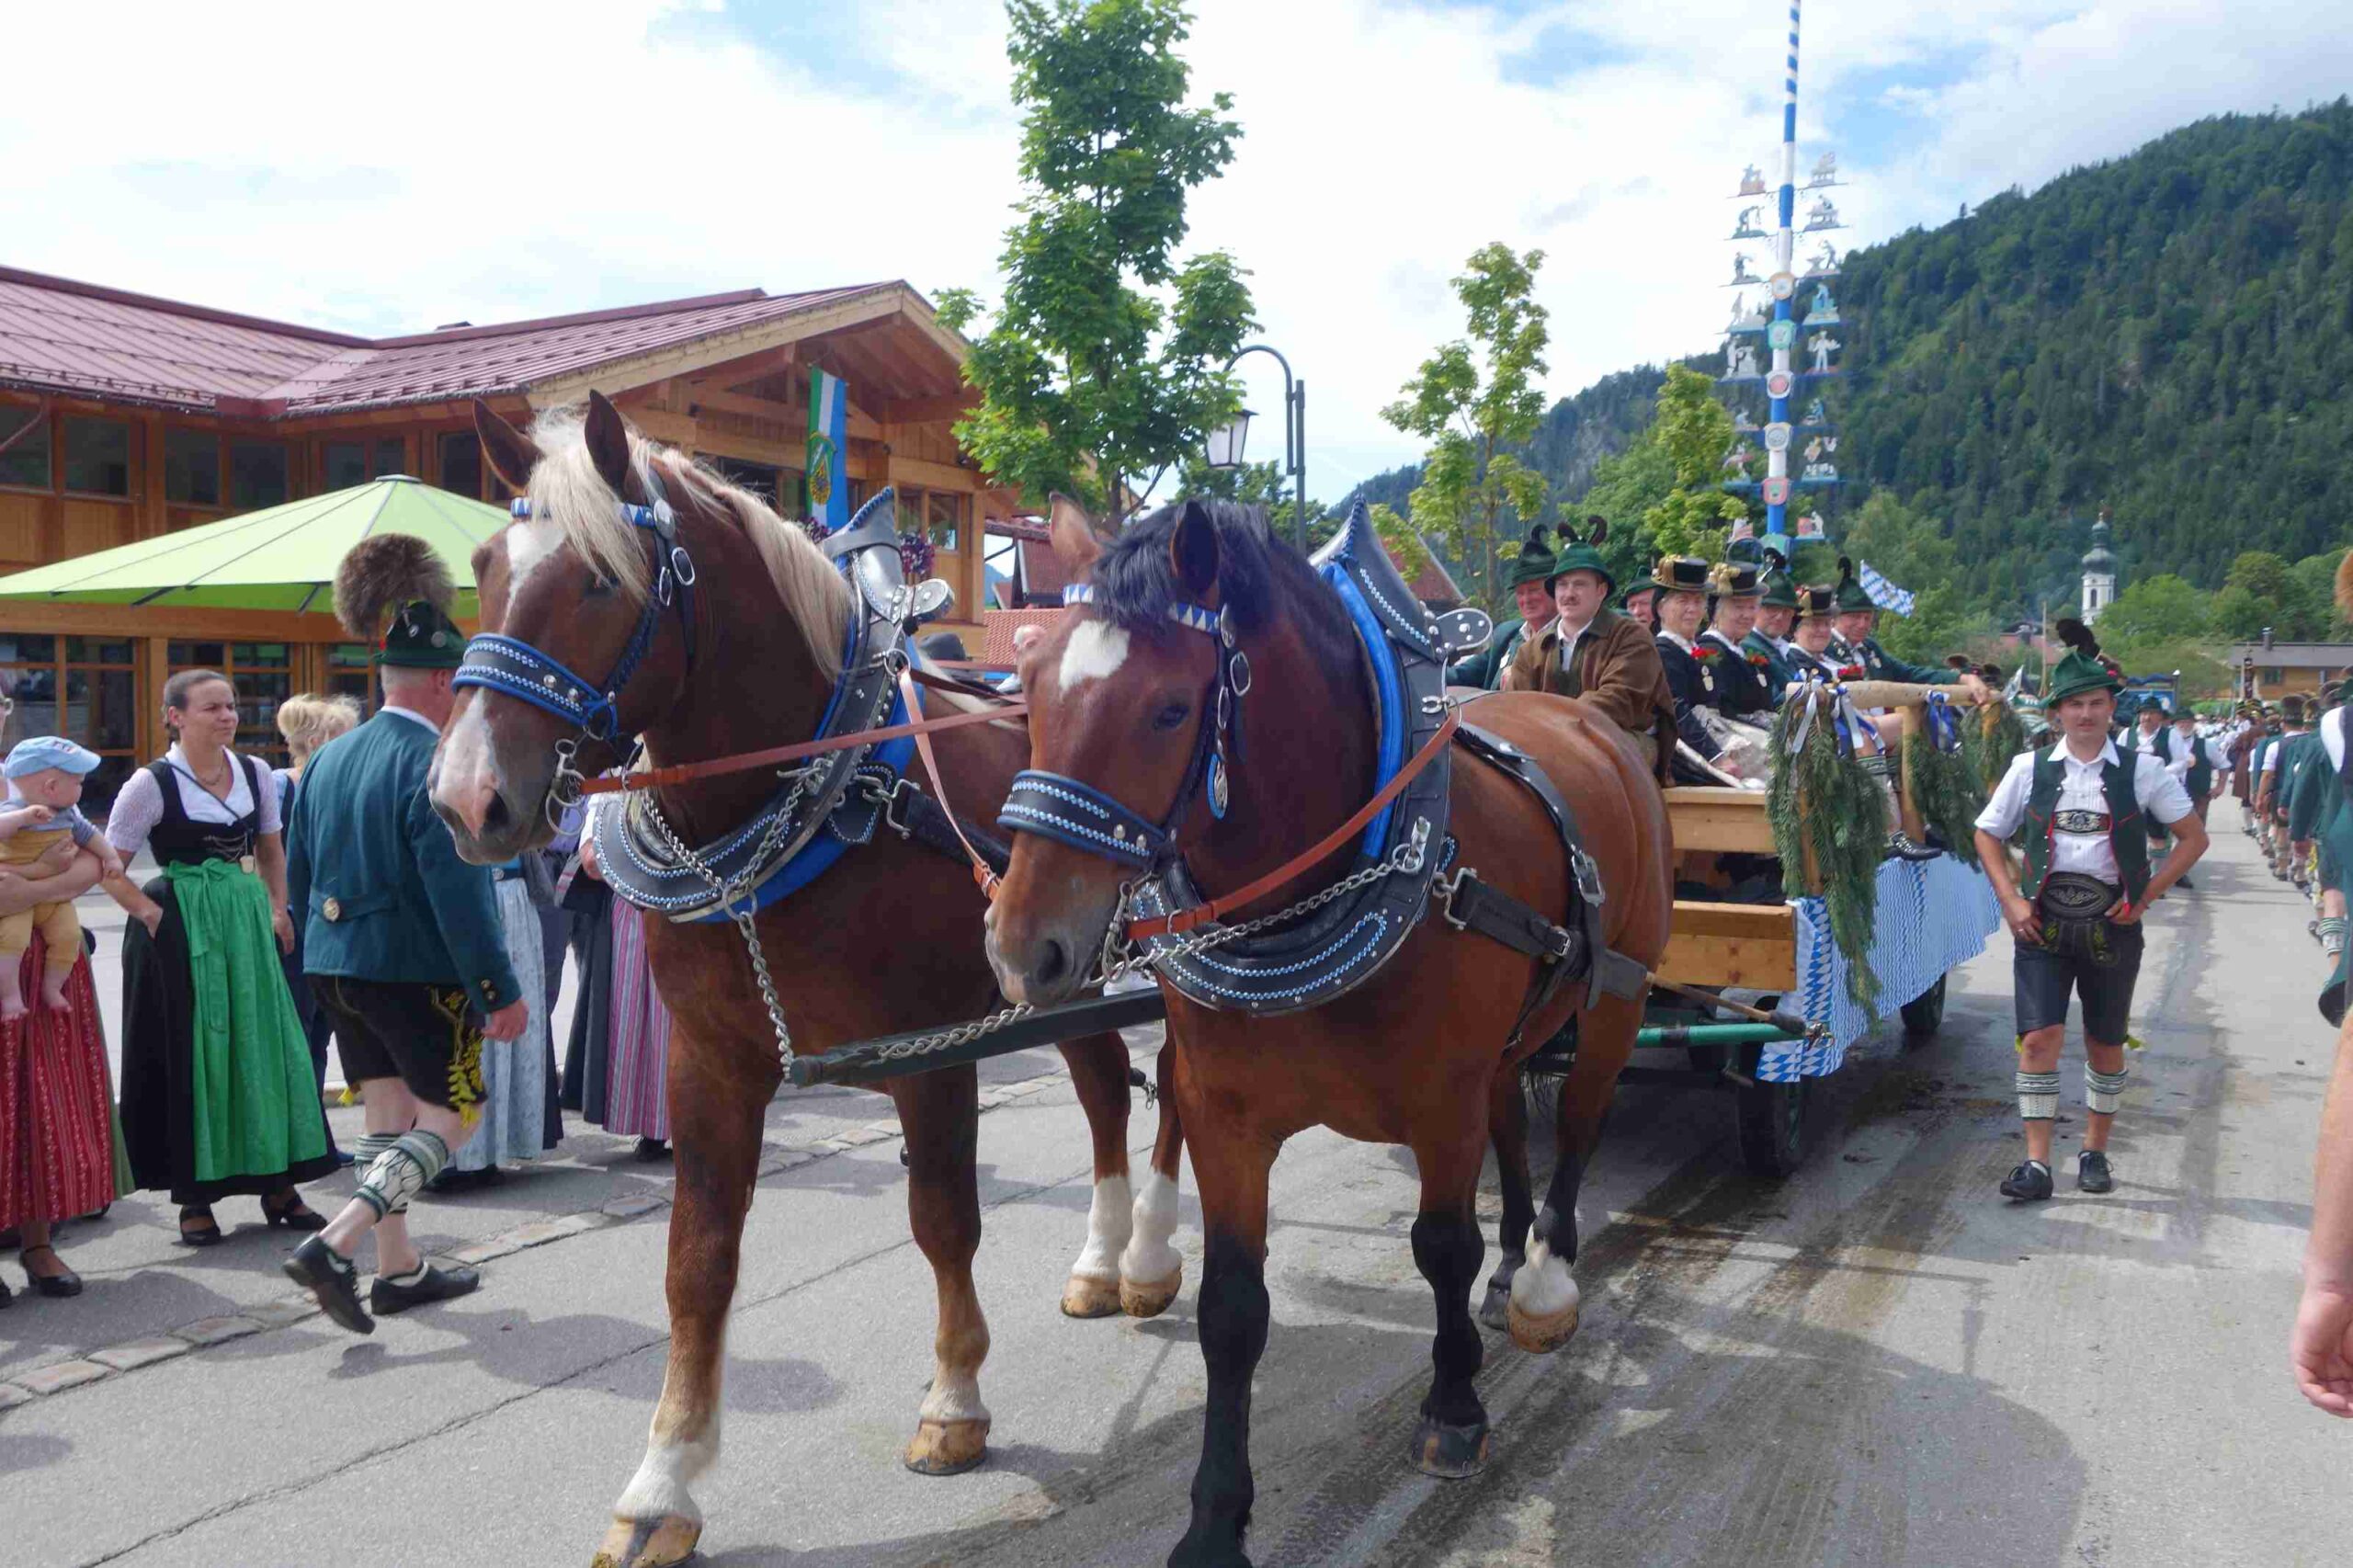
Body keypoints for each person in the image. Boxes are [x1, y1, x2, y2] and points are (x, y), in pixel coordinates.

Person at [281, 537, 529, 1333]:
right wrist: (497, 990)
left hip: (337, 964)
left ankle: (397, 1269)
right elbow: (459, 895)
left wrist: (318, 953)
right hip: (415, 970)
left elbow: (301, 873)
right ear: (442, 681)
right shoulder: (434, 763)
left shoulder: (327, 759)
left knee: (385, 1115)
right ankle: (337, 1242)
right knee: (454, 1116)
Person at [105, 669, 337, 1245]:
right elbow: (108, 866)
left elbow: (272, 850)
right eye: (212, 708)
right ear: (175, 716)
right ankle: (196, 1197)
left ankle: (279, 1185)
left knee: (264, 1047)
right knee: (196, 1053)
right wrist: (151, 914)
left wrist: (278, 908)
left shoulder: (254, 772)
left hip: (245, 919)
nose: (228, 716)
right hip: (182, 924)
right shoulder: (151, 783)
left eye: (230, 706)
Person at [1972, 638, 2206, 1202]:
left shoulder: (2144, 770)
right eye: (2075, 704)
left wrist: (2145, 896)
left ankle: (2094, 1151)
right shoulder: (2028, 768)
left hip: (2112, 925)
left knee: (2105, 1042)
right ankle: (2036, 1164)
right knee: (2038, 1039)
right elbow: (1986, 833)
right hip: (2042, 923)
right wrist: (2010, 899)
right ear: (2057, 712)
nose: (2085, 714)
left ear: (2111, 708)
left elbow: (2193, 838)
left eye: (2096, 703)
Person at [0, 801, 112, 1301]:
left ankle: (38, 1244)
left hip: (44, 963)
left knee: (42, 1101)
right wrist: (42, 875)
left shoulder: (38, 781)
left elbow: (90, 862)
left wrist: (32, 886)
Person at [1503, 518, 1677, 777]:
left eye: (1580, 584)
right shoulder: (1531, 650)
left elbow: (1618, 702)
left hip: (1625, 740)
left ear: (1601, 590)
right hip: (1547, 742)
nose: (1569, 593)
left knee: (1586, 757)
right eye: (1562, 585)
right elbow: (1515, 709)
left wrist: (1552, 727)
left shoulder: (1631, 637)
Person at [273, 696, 361, 1166]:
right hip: (293, 930)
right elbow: (265, 856)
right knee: (297, 1036)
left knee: (322, 1034)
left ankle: (316, 1141)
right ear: (316, 741)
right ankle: (297, 1146)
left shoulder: (344, 786)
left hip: (334, 928)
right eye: (345, 737)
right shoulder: (279, 787)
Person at [0, 739, 126, 1019]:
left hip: (48, 917)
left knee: (69, 936)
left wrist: (30, 888)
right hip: (16, 927)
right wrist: (41, 868)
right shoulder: (14, 810)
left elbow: (91, 863)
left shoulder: (65, 812)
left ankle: (52, 987)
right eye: (79, 783)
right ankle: (9, 994)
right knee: (12, 938)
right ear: (51, 786)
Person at [1828, 556, 1974, 690]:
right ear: (1835, 617)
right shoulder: (1824, 648)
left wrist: (1961, 678)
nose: (1862, 624)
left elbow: (1910, 674)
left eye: (1867, 618)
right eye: (1854, 617)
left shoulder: (1870, 648)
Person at [1448, 525, 1559, 689]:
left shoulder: (1569, 637)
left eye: (1534, 590)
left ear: (1556, 589)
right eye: (1520, 593)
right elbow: (1461, 675)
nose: (1526, 599)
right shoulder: (1507, 634)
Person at [1651, 556, 1728, 779]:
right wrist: (1716, 756)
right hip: (1684, 751)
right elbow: (1676, 710)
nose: (1692, 609)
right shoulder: (1662, 651)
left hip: (1719, 734)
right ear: (1661, 608)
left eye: (1698, 601)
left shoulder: (1697, 650)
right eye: (1683, 600)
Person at [1699, 562, 1775, 718]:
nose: (1747, 615)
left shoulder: (1747, 652)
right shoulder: (1708, 652)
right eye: (1738, 607)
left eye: (1752, 607)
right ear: (1716, 612)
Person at [1745, 564, 1801, 693]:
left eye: (1786, 611)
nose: (1779, 617)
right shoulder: (1748, 647)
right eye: (1772, 609)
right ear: (1755, 608)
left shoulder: (1787, 653)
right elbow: (1772, 698)